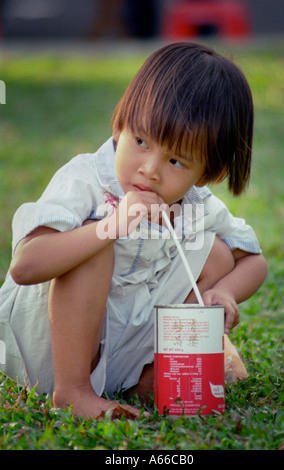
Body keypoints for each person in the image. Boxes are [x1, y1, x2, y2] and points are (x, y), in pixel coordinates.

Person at [0, 42, 268, 420]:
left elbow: (253, 260)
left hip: (123, 337)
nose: (150, 169)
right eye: (141, 141)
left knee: (216, 253)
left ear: (207, 174)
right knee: (96, 245)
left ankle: (151, 377)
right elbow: (24, 267)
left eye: (175, 160)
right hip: (47, 342)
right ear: (119, 123)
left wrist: (223, 292)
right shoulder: (85, 181)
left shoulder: (194, 204)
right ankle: (73, 392)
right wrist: (112, 226)